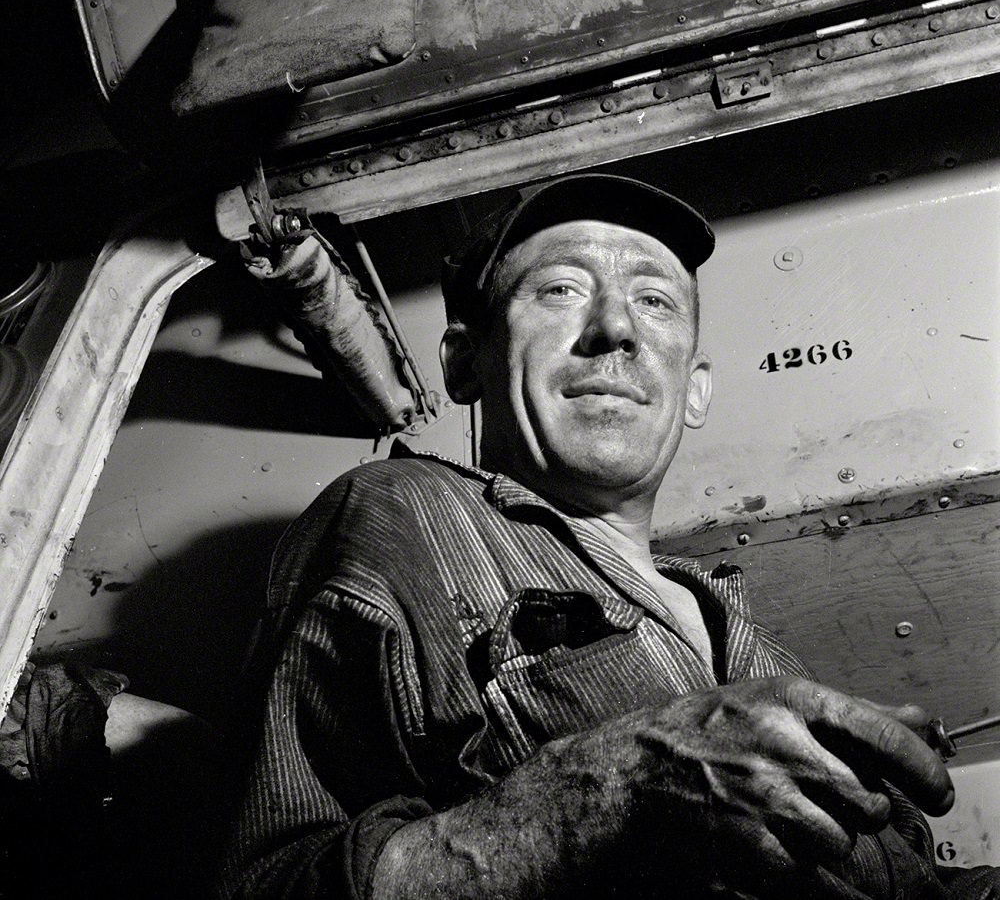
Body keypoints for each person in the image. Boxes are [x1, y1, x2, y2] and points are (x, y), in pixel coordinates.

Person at [219, 174, 996, 899]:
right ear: (464, 363)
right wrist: (606, 790)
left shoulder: (753, 644)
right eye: (559, 290)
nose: (616, 328)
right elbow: (264, 881)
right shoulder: (400, 515)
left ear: (693, 391)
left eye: (656, 302)